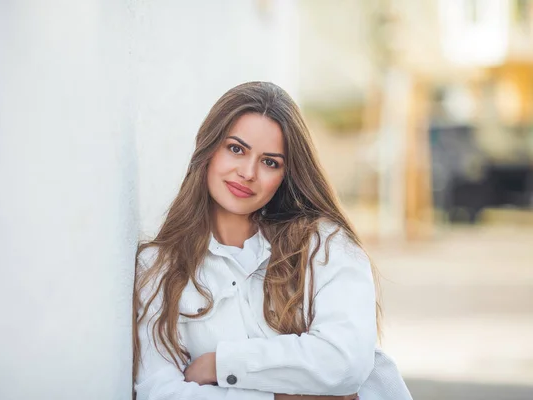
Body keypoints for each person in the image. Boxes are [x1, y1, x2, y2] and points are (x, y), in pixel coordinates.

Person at [133, 82, 412, 400]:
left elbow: (345, 362)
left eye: (270, 162)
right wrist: (288, 396)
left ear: (285, 175)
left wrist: (220, 365)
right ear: (208, 149)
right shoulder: (158, 269)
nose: (248, 172)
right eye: (236, 149)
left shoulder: (324, 245)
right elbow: (159, 391)